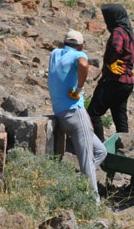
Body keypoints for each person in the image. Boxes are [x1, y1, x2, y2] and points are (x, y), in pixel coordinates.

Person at [48, 30, 106, 202]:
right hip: (75, 113)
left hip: (61, 113)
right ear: (81, 45)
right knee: (88, 162)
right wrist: (79, 89)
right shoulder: (79, 55)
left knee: (101, 151)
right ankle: (92, 204)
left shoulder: (54, 54)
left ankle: (74, 184)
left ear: (64, 42)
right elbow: (84, 65)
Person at [87, 4, 134, 142]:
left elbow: (116, 48)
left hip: (113, 81)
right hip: (127, 83)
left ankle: (98, 148)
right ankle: (124, 150)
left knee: (93, 114)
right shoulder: (130, 33)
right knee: (119, 117)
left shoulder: (118, 32)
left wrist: (111, 62)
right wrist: (128, 65)